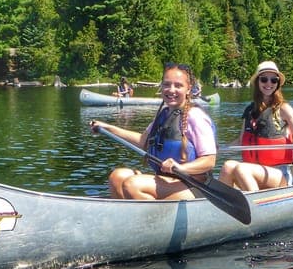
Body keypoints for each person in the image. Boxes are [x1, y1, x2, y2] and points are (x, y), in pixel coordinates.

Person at [90, 63, 217, 200]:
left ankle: (152, 219)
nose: (171, 90)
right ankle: (132, 216)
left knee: (132, 184)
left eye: (178, 85)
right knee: (117, 176)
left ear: (188, 89)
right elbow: (142, 140)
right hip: (168, 180)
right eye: (167, 84)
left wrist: (180, 168)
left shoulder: (196, 116)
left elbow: (209, 161)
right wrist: (108, 127)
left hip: (194, 187)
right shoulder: (164, 114)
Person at [219, 61, 293, 192]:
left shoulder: (284, 109)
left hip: (279, 174)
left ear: (277, 84)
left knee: (241, 168)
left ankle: (258, 207)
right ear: (257, 83)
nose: (269, 84)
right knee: (228, 166)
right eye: (264, 79)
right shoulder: (250, 111)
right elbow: (240, 141)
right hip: (252, 171)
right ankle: (221, 207)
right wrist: (218, 149)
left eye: (273, 80)